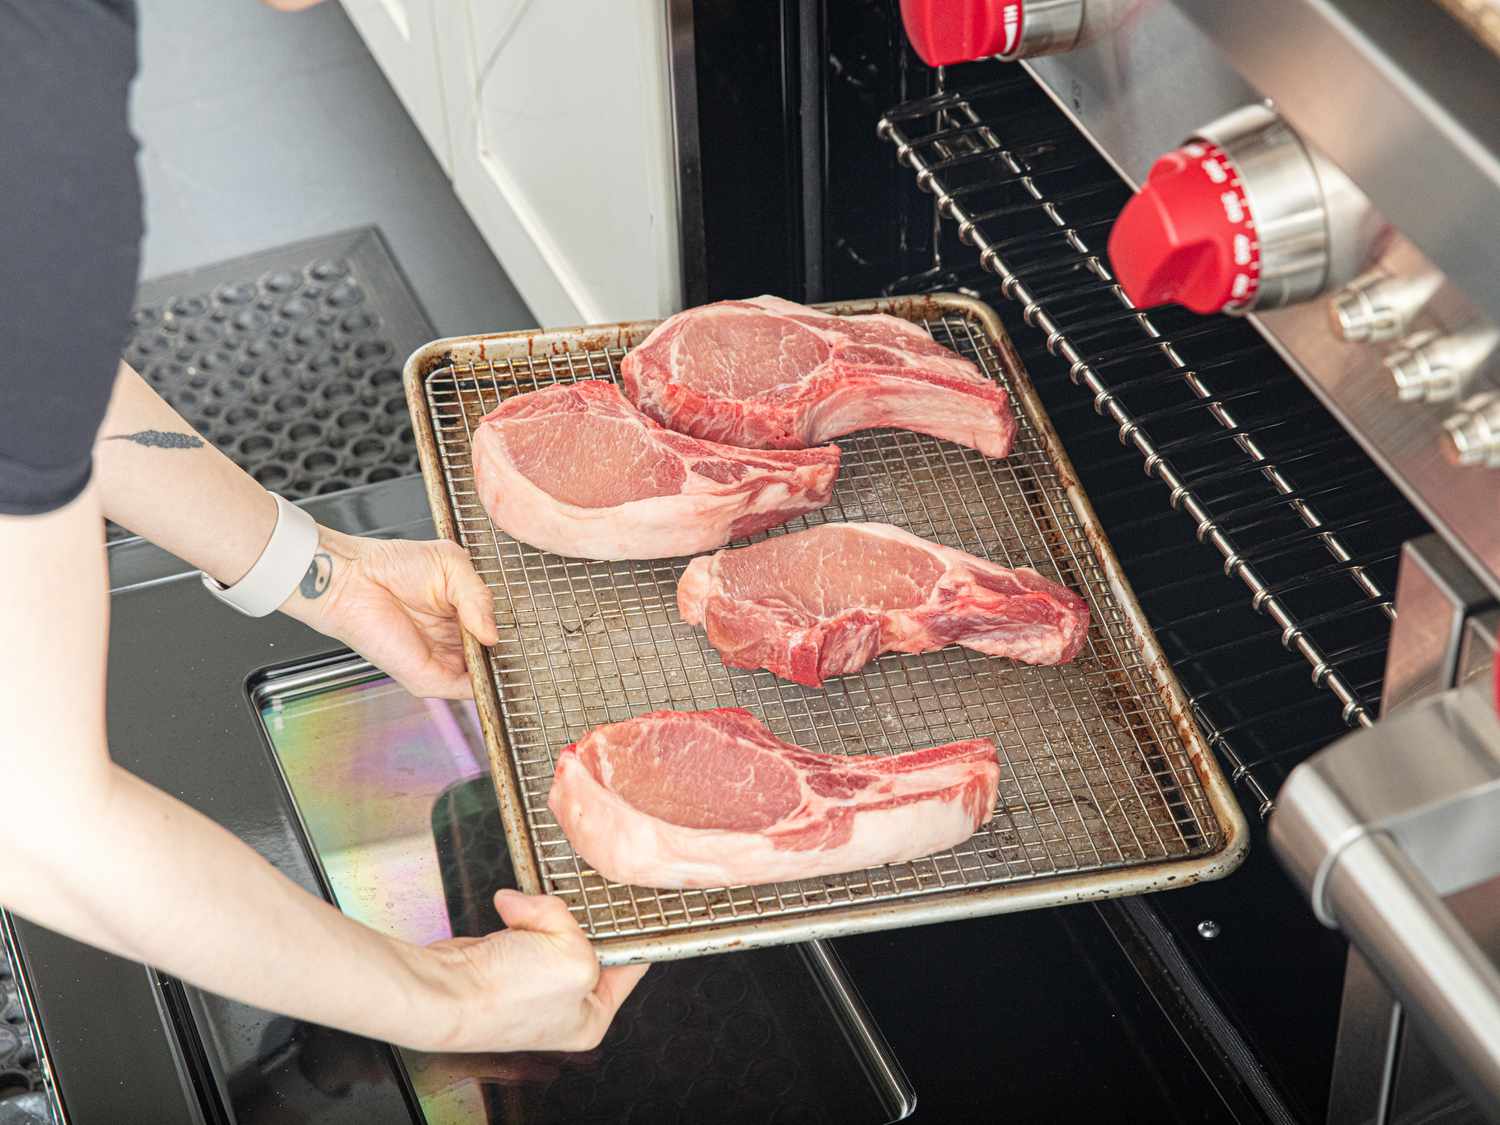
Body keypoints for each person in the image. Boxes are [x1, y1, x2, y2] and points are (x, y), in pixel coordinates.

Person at [0, 0, 646, 1055]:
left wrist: (321, 568)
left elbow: (24, 356)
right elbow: (31, 814)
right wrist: (451, 999)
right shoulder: (35, 87)